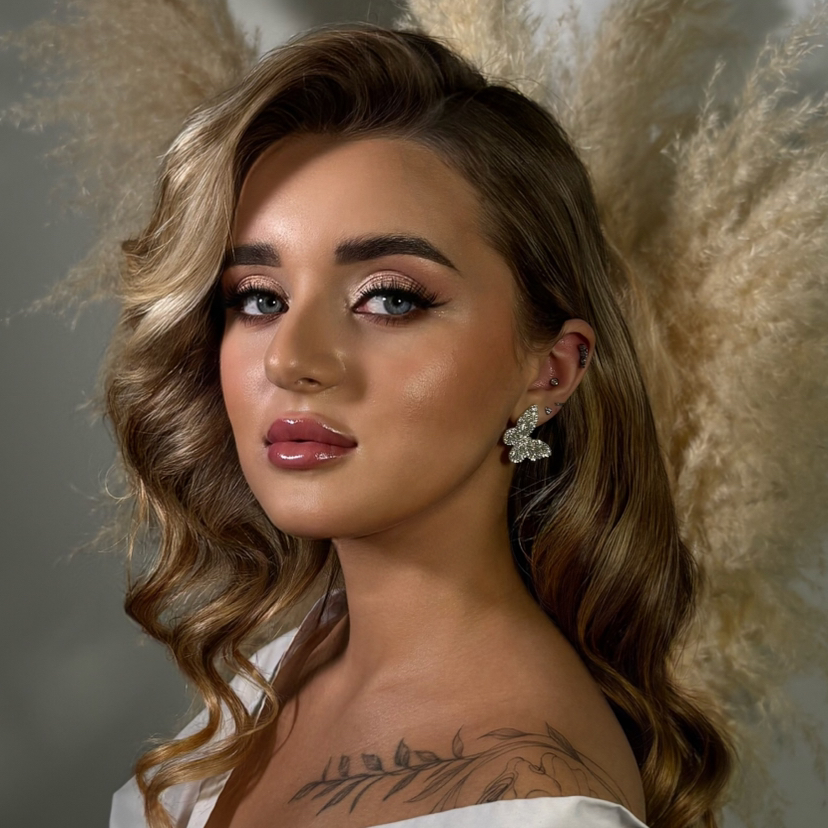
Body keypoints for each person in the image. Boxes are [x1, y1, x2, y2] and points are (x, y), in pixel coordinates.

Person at [7, 3, 828, 828]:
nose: (291, 359)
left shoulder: (539, 808)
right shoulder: (288, 659)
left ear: (549, 370)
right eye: (258, 297)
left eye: (390, 298)